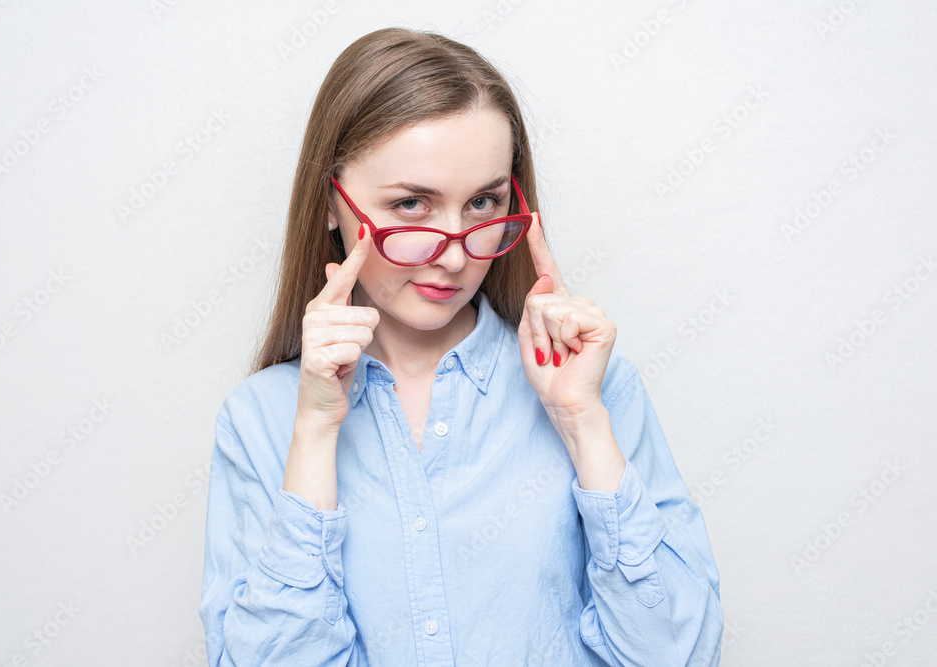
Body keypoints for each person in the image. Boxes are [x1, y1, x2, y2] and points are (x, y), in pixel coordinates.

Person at [198, 26, 723, 666]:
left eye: (482, 201)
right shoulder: (260, 420)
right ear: (331, 204)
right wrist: (313, 430)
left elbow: (679, 654)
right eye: (413, 203)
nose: (452, 249)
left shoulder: (595, 387)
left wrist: (583, 424)